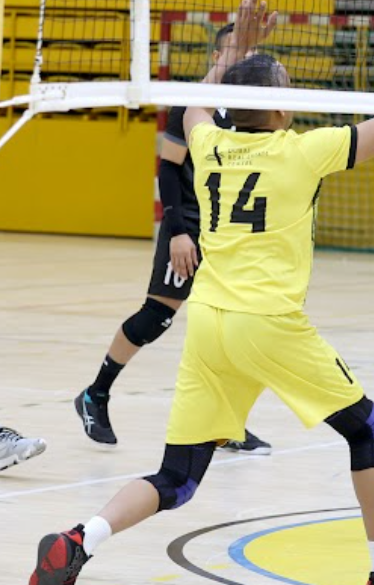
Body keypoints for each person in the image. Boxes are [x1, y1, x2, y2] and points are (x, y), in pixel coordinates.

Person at [30, 0, 374, 585]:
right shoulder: (304, 151)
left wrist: (236, 49)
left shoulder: (211, 143)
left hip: (211, 325)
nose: (295, 93)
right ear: (273, 106)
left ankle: (79, 540)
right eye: (287, 86)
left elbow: (195, 108)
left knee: (177, 479)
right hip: (267, 322)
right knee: (366, 429)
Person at [74, 23, 269, 455]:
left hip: (225, 231)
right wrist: (178, 231)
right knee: (156, 317)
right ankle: (95, 394)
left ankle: (225, 423)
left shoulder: (250, 106)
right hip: (188, 227)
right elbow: (167, 168)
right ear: (220, 55)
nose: (248, 58)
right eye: (241, 50)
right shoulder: (195, 101)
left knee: (233, 323)